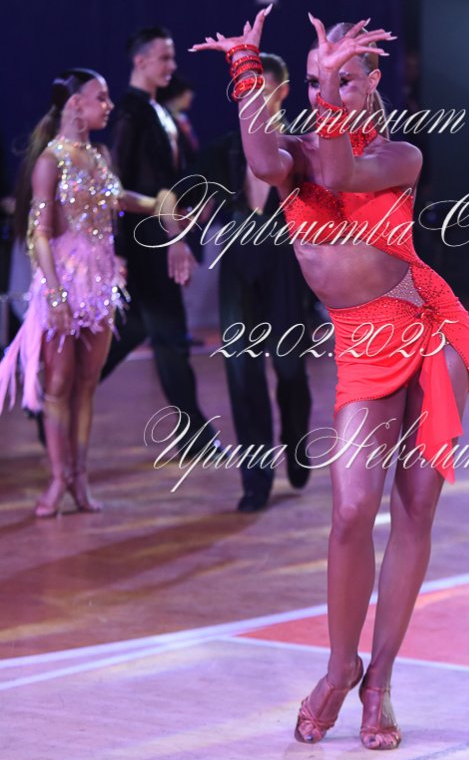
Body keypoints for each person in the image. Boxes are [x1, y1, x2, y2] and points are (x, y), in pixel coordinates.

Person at [190, 7, 469, 750]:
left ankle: (378, 682)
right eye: (319, 80)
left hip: (426, 328)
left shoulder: (399, 155)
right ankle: (339, 665)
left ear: (372, 82)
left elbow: (343, 172)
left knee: (414, 508)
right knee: (352, 510)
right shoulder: (295, 154)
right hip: (362, 343)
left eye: (345, 79)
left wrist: (322, 90)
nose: (330, 90)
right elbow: (262, 161)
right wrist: (246, 71)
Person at [0, 69, 170, 516]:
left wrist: (159, 205)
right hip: (63, 282)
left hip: (99, 283)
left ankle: (80, 477)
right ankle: (58, 478)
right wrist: (55, 296)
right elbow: (38, 234)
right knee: (58, 384)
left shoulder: (100, 155)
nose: (108, 106)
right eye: (101, 97)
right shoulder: (49, 161)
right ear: (75, 104)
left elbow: (118, 198)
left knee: (87, 384)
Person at [197, 52, 312, 512]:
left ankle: (297, 441)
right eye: (245, 91)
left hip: (287, 266)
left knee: (289, 369)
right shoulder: (226, 148)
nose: (252, 100)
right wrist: (174, 235)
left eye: (260, 90)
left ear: (282, 92)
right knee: (242, 373)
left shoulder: (302, 148)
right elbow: (185, 197)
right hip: (238, 267)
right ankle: (256, 480)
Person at [100, 27, 220, 455]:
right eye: (164, 58)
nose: (172, 66)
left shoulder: (157, 111)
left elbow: (170, 179)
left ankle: (58, 396)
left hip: (160, 236)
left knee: (135, 330)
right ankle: (195, 436)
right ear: (141, 61)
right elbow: (118, 187)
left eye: (172, 57)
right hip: (147, 243)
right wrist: (123, 248)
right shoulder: (130, 113)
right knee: (169, 336)